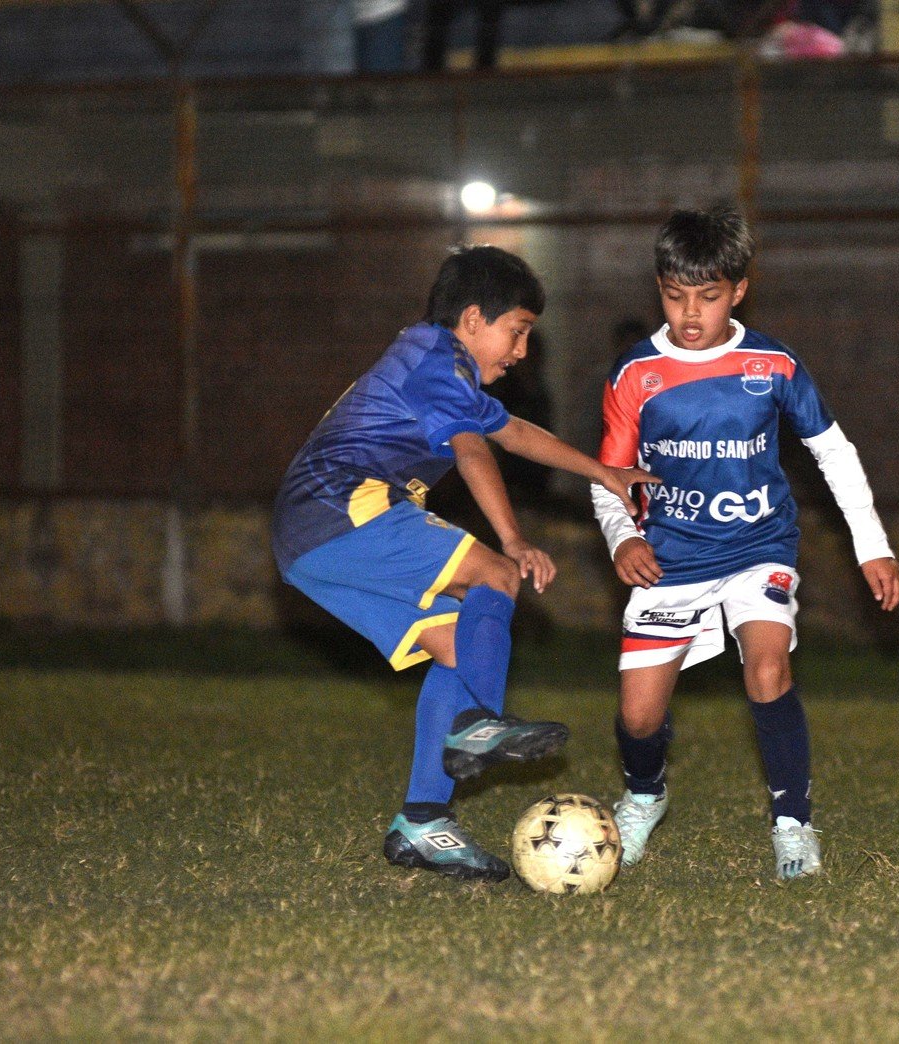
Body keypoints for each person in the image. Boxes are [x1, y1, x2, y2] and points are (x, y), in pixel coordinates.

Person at [272, 245, 656, 882]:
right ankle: (477, 722)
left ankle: (422, 823)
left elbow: (516, 433)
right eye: (518, 331)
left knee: (456, 643)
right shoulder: (436, 356)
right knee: (496, 578)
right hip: (340, 510)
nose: (522, 351)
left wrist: (603, 472)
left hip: (306, 542)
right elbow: (475, 450)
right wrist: (511, 541)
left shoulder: (441, 371)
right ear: (473, 319)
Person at [590, 206, 899, 881]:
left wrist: (870, 545)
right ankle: (644, 796)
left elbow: (833, 453)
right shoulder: (634, 375)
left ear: (738, 289)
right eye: (675, 297)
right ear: (659, 288)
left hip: (758, 546)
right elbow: (607, 478)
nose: (690, 314)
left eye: (707, 296)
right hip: (670, 556)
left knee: (766, 671)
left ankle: (792, 824)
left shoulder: (772, 363)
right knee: (639, 718)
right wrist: (621, 537)